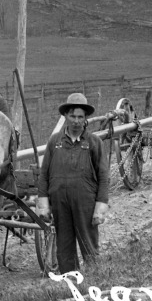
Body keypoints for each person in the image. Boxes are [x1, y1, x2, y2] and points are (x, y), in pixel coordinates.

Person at [36, 92, 109, 273]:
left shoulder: (94, 142)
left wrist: (100, 207)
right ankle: (69, 278)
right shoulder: (54, 142)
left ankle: (94, 279)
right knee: (64, 245)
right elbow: (44, 174)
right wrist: (43, 204)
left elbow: (103, 176)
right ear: (65, 116)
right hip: (60, 203)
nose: (76, 121)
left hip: (85, 203)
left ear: (85, 119)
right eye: (72, 116)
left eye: (80, 117)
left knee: (88, 243)